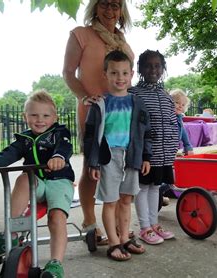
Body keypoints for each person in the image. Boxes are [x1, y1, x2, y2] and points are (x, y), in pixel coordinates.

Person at [0, 90, 75, 277]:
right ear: (25, 117)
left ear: (54, 117)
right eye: (34, 115)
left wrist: (58, 157)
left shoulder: (59, 133)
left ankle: (56, 264)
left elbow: (65, 146)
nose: (40, 120)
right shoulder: (24, 139)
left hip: (59, 181)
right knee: (23, 178)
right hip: (36, 182)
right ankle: (10, 235)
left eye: (46, 115)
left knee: (56, 218)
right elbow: (8, 153)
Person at [62, 0, 134, 242]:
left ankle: (116, 224)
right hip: (95, 111)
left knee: (121, 166)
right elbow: (68, 73)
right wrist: (84, 97)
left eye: (115, 6)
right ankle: (90, 220)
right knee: (93, 165)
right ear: (94, 7)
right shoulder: (81, 35)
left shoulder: (123, 42)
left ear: (121, 11)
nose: (110, 11)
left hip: (122, 115)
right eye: (104, 4)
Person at [83, 50, 151, 261]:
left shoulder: (137, 103)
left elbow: (145, 131)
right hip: (108, 157)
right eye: (114, 73)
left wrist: (145, 156)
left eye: (124, 73)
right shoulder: (100, 104)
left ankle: (124, 238)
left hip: (131, 157)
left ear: (131, 74)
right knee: (110, 201)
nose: (119, 78)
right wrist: (93, 163)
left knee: (126, 200)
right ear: (106, 74)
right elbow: (91, 136)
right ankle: (113, 243)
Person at [128, 50, 178, 244]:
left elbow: (173, 122)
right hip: (146, 153)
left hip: (165, 153)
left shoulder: (166, 95)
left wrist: (174, 146)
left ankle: (154, 224)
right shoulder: (134, 93)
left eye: (157, 66)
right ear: (140, 68)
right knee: (142, 187)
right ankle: (144, 227)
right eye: (148, 65)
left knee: (156, 187)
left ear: (163, 68)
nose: (153, 69)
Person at [159, 89, 194, 205]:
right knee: (166, 175)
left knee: (172, 175)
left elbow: (183, 133)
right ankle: (159, 193)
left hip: (172, 151)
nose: (180, 106)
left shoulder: (179, 118)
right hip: (164, 150)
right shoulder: (167, 116)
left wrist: (188, 146)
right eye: (177, 103)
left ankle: (160, 192)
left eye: (183, 104)